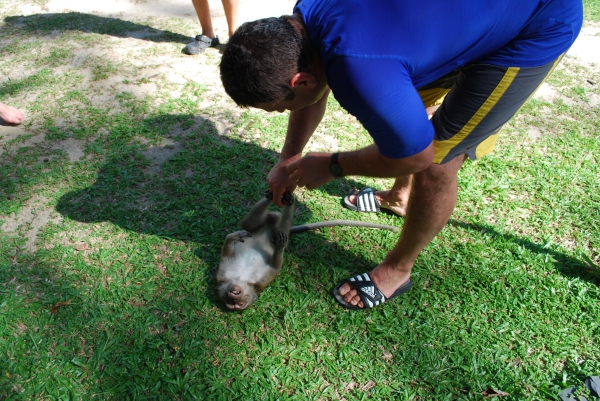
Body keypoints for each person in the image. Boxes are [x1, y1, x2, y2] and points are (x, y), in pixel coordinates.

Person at [219, 0, 583, 309]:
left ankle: (397, 270)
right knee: (405, 116)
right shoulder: (305, 19)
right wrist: (289, 159)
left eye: (279, 108)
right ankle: (398, 198)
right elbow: (312, 90)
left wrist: (333, 165)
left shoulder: (358, 67)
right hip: (446, 22)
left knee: (438, 160)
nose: (283, 113)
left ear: (301, 81)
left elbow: (417, 156)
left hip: (534, 20)